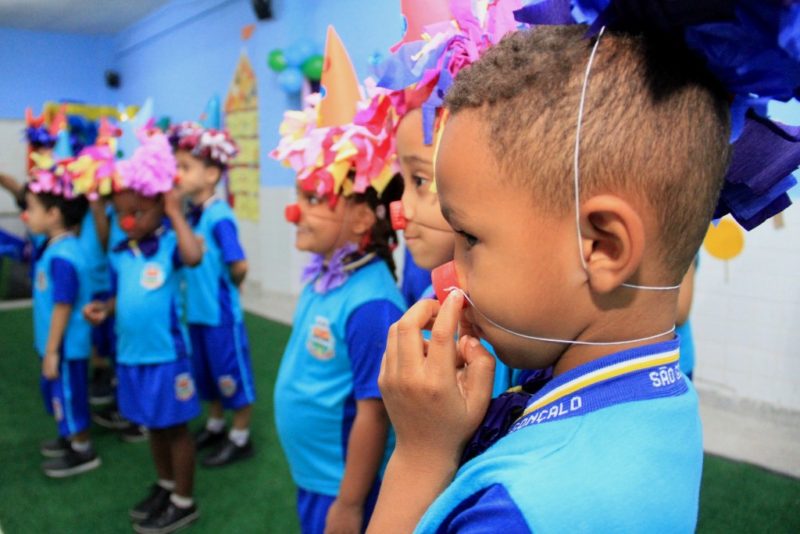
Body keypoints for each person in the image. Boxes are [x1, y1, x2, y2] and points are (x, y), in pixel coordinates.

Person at [368, 5, 800, 529]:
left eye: (470, 237)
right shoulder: (659, 391)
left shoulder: (523, 508)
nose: (452, 271)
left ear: (602, 245)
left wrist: (419, 456)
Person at [270, 26, 406, 534]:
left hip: (346, 486)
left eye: (312, 200)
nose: (295, 212)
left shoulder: (372, 305)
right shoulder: (325, 280)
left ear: (361, 219)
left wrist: (349, 505)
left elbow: (374, 414)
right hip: (317, 477)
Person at [84, 128, 203, 533]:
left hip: (168, 358)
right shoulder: (123, 253)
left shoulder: (170, 243)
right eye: (121, 214)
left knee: (175, 429)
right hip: (132, 356)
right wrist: (105, 308)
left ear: (158, 206)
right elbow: (125, 296)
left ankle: (184, 501)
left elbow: (194, 254)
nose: (128, 221)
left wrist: (173, 212)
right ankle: (166, 485)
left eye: (137, 212)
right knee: (153, 426)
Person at [168, 122, 256, 466]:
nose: (178, 174)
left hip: (220, 315)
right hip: (197, 314)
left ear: (211, 174)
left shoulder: (219, 215)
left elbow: (239, 264)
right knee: (205, 374)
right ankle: (217, 424)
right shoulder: (190, 214)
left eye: (185, 167)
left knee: (231, 373)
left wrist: (231, 287)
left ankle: (240, 436)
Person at [23, 160, 97, 478]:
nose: (27, 215)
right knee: (57, 394)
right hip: (56, 344)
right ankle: (69, 437)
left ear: (53, 215)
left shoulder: (64, 256)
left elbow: (63, 306)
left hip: (65, 346)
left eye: (32, 208)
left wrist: (52, 350)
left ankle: (82, 449)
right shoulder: (54, 247)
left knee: (69, 394)